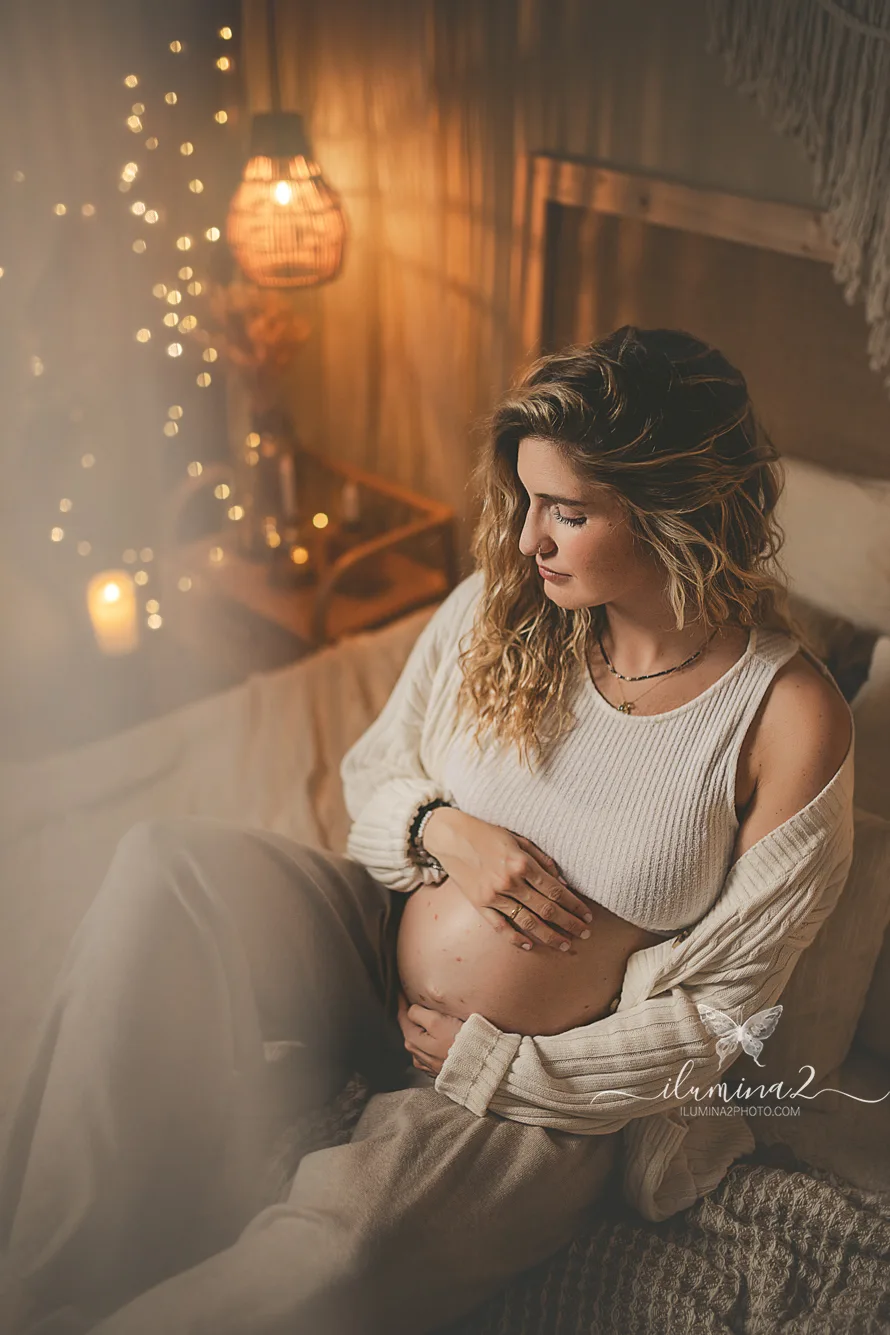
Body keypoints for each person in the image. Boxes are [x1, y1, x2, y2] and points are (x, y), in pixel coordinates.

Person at [0, 326, 854, 1334]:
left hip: (532, 1092)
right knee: (164, 864)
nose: (528, 538)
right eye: (527, 501)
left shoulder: (782, 715)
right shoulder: (505, 608)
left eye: (565, 513)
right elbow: (371, 777)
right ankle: (35, 1286)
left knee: (346, 1253)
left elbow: (718, 1019)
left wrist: (500, 1065)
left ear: (673, 513)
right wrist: (442, 830)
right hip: (373, 945)